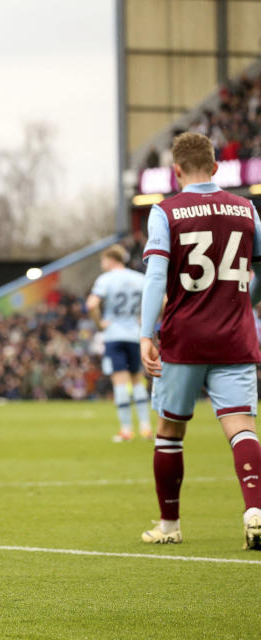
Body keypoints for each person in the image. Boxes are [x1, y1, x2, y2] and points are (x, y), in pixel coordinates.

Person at [139, 131, 261, 549]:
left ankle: (169, 527)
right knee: (242, 427)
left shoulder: (165, 212)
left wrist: (145, 334)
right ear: (215, 167)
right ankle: (255, 511)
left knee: (170, 430)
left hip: (184, 339)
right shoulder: (246, 209)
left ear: (175, 172)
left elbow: (156, 276)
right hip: (235, 335)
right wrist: (246, 302)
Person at [86, 244, 151, 442]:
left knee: (120, 383)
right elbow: (161, 300)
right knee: (137, 380)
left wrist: (100, 324)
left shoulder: (106, 279)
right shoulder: (139, 278)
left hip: (114, 335)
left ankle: (126, 430)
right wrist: (146, 319)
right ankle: (146, 428)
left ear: (111, 259)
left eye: (103, 260)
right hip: (135, 334)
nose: (102, 264)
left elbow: (91, 304)